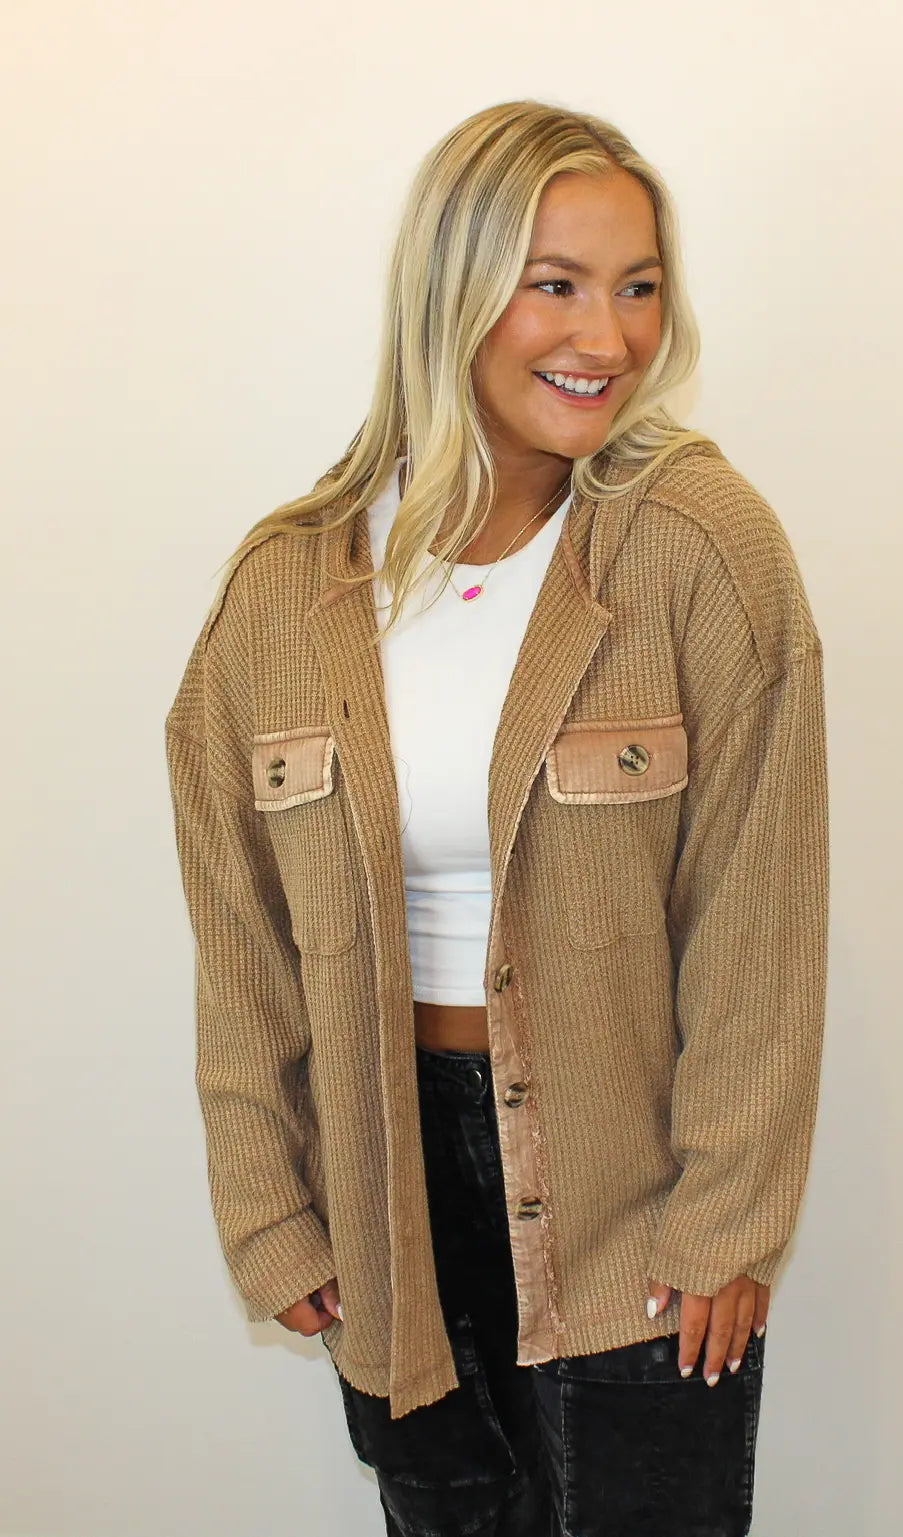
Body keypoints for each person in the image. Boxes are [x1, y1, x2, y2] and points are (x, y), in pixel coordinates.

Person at [165, 98, 829, 1537]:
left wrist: (729, 1215)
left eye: (638, 287)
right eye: (557, 284)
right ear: (451, 291)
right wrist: (267, 1200)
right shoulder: (285, 588)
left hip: (631, 1200)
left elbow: (758, 915)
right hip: (384, 1198)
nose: (609, 336)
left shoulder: (698, 550)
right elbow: (240, 935)